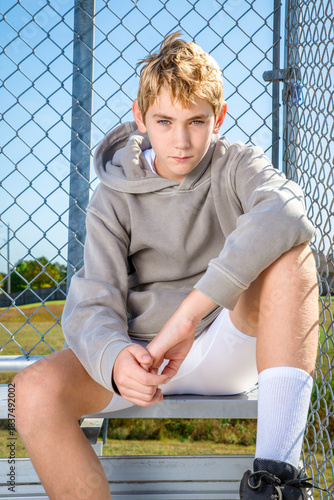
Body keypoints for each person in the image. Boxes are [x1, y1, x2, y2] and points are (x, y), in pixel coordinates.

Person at [14, 32, 320, 499]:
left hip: (224, 343)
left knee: (293, 257)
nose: (181, 141)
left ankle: (274, 482)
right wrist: (116, 359)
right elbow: (93, 300)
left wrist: (190, 312)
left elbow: (289, 213)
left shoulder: (237, 165)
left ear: (218, 117)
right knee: (32, 389)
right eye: (164, 121)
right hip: (144, 354)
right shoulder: (113, 194)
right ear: (140, 118)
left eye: (196, 121)